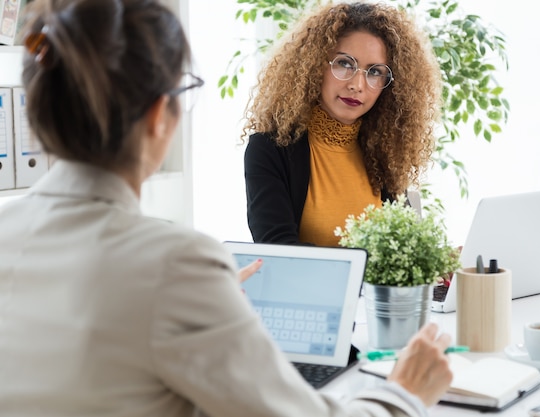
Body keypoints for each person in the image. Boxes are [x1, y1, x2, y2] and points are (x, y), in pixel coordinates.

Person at [0, 0, 453, 416]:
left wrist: (212, 302)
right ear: (162, 114)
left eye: (375, 72)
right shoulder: (178, 265)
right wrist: (404, 393)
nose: (359, 82)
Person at [243, 2, 441, 246]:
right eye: (345, 64)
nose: (357, 84)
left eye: (375, 71)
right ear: (315, 65)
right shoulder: (270, 148)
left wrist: (436, 261)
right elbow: (279, 248)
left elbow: (401, 251)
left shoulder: (385, 152)